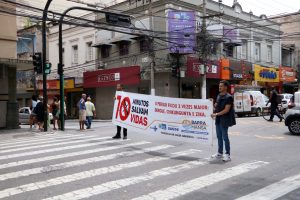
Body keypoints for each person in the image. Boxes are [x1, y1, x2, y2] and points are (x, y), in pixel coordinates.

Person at [211, 80, 236, 162]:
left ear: (225, 87)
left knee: (225, 137)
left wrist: (216, 114)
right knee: (219, 136)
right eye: (219, 86)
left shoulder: (229, 97)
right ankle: (220, 153)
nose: (219, 87)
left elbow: (226, 110)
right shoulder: (218, 96)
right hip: (218, 119)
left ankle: (228, 154)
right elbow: (217, 107)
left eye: (221, 86)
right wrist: (214, 106)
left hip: (225, 119)